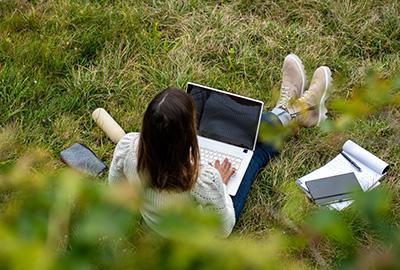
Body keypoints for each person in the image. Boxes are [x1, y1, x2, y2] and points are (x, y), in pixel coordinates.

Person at [108, 54, 332, 237]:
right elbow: (223, 229)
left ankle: (288, 110)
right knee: (256, 150)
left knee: (246, 134)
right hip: (194, 235)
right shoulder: (205, 181)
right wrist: (221, 185)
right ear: (188, 135)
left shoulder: (128, 146)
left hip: (157, 224)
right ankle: (299, 109)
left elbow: (116, 189)